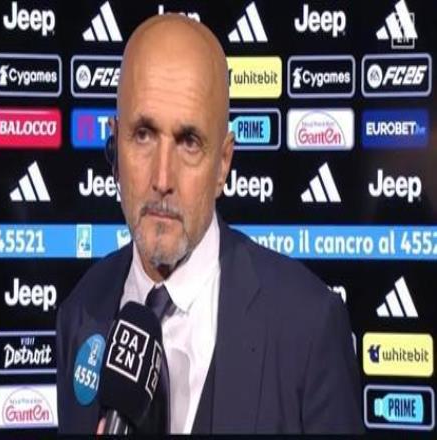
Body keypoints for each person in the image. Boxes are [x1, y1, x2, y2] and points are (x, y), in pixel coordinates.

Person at [57, 13, 364, 434]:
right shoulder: (80, 312)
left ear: (223, 164)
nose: (162, 178)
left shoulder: (308, 327)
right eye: (143, 134)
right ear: (114, 146)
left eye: (189, 142)